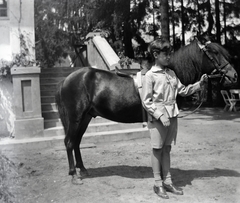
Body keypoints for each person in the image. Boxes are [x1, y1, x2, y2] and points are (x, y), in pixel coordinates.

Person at [141, 38, 208, 199]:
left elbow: (183, 90)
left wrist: (199, 84)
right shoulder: (150, 75)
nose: (169, 57)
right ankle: (158, 184)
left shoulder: (171, 73)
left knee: (167, 149)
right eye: (166, 54)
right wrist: (160, 115)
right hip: (158, 118)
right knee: (157, 149)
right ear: (156, 55)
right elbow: (146, 101)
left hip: (172, 116)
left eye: (170, 54)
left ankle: (168, 182)